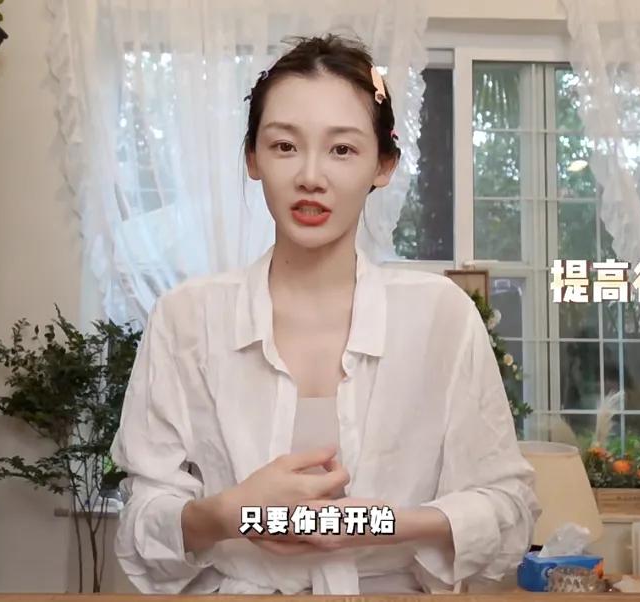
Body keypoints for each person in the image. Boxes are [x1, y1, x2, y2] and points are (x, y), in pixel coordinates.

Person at [110, 33, 539, 595]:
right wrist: (231, 514)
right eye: (285, 145)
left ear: (383, 165)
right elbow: (142, 519)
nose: (311, 175)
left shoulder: (441, 316)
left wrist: (373, 524)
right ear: (253, 158)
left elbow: (508, 509)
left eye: (342, 149)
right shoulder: (187, 317)